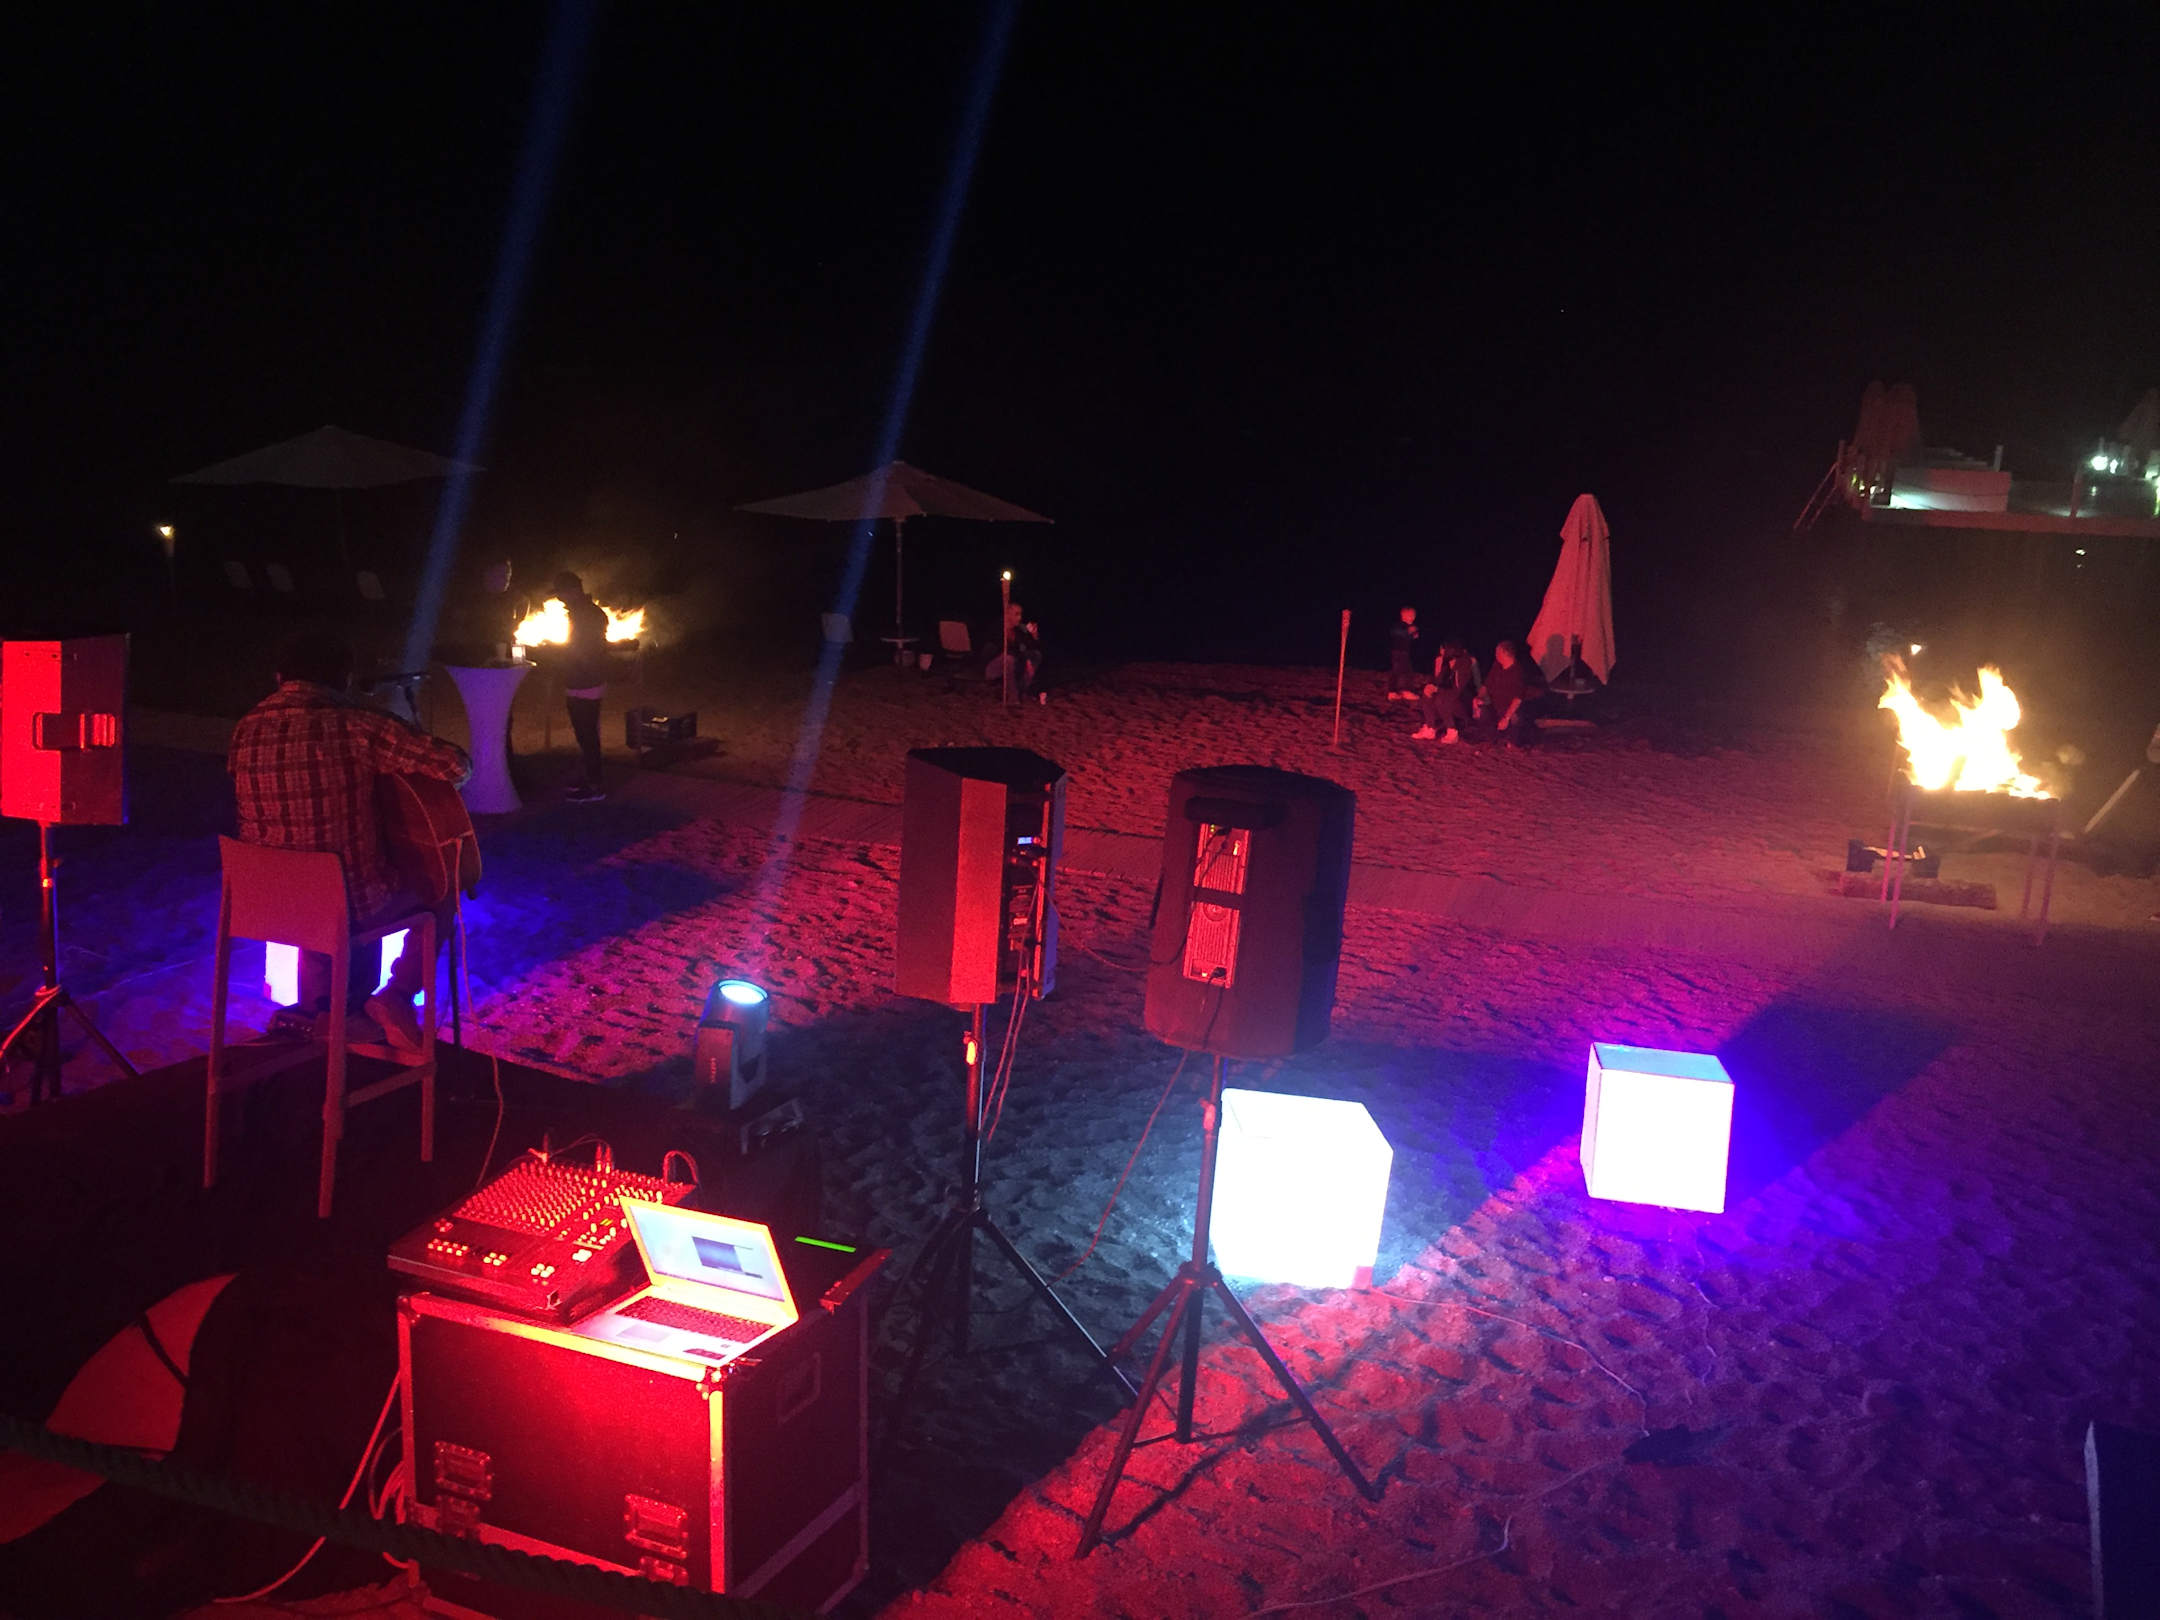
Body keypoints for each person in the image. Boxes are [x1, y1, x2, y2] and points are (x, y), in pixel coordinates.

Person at [228, 627, 471, 1050]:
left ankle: (331, 1013)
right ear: (343, 679)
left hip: (266, 905)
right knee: (441, 895)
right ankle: (396, 996)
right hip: (344, 904)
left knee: (321, 887)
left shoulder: (244, 729)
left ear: (280, 677)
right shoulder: (356, 726)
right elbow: (455, 766)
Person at [552, 570, 611, 800]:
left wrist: (561, 653)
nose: (559, 598)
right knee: (583, 734)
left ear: (573, 591)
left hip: (587, 680)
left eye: (561, 593)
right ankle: (590, 777)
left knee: (587, 734)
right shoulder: (583, 612)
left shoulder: (587, 614)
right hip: (579, 679)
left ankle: (596, 786)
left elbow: (587, 648)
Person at [1474, 639, 1546, 744]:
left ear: (1505, 653)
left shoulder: (1518, 672)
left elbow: (1517, 699)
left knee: (1515, 718)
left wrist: (1506, 717)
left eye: (1497, 652)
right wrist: (1478, 698)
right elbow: (1486, 685)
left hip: (1510, 709)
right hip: (1496, 705)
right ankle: (1492, 736)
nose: (1495, 654)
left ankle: (1517, 738)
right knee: (1481, 709)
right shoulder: (1497, 666)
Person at [1412, 641, 1479, 742]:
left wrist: (1438, 690)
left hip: (1463, 701)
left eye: (1443, 649)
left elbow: (1458, 691)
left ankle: (1452, 731)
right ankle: (1430, 728)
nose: (1441, 651)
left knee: (1441, 699)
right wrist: (1431, 687)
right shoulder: (1446, 663)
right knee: (1427, 694)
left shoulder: (1464, 664)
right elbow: (1438, 681)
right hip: (1449, 697)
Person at [984, 602, 1044, 699]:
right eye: (1016, 614)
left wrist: (1034, 636)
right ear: (1007, 614)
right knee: (1008, 659)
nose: (1020, 618)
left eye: (1020, 614)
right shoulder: (998, 628)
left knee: (1035, 655)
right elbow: (1000, 650)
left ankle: (1022, 689)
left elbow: (1028, 647)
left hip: (1014, 664)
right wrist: (1026, 660)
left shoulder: (1018, 630)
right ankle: (1012, 694)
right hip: (994, 668)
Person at [1387, 606, 1422, 699]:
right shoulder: (1399, 626)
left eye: (1414, 616)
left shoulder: (1408, 627)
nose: (1413, 618)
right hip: (1399, 652)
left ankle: (1392, 692)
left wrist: (1413, 634)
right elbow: (1395, 632)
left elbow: (1412, 637)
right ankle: (1405, 690)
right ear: (1403, 616)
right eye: (1411, 615)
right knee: (1405, 672)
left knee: (1396, 671)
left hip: (1403, 652)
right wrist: (1408, 631)